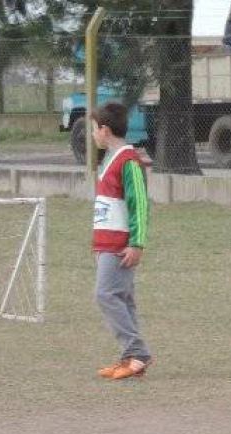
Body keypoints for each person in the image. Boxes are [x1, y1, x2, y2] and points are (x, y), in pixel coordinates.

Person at [90, 102, 152, 380]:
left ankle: (137, 353)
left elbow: (139, 203)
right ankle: (131, 358)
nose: (92, 135)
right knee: (123, 300)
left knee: (105, 294)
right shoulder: (109, 159)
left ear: (104, 130)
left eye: (93, 129)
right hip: (107, 244)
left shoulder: (128, 160)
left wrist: (137, 243)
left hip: (120, 244)